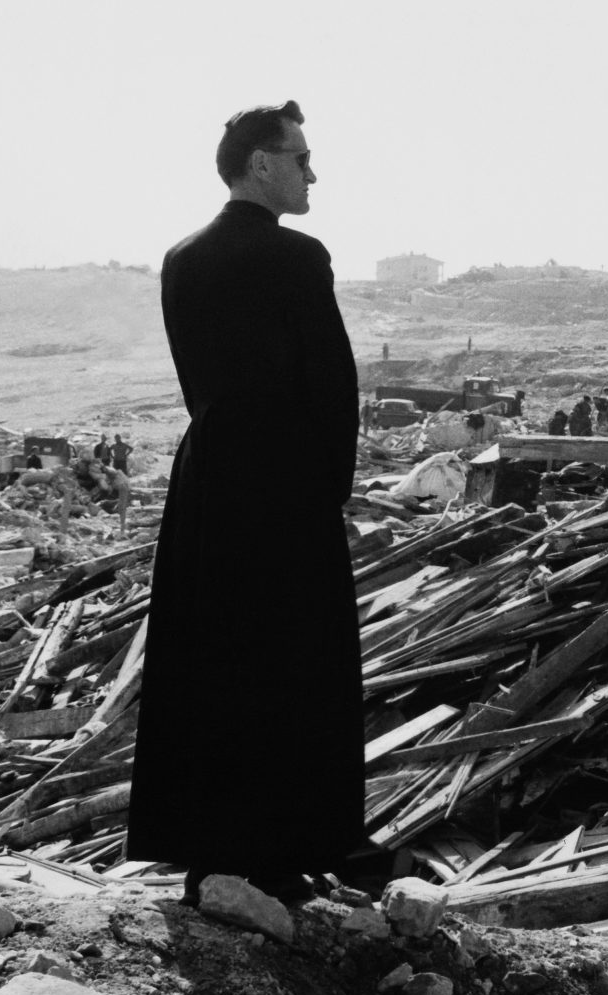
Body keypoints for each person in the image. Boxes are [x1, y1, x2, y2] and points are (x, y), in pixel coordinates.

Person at [129, 100, 363, 905]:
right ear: (261, 163)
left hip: (211, 481)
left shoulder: (180, 259)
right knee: (293, 660)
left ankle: (209, 846)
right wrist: (331, 482)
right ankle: (284, 850)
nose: (311, 173)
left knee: (213, 661)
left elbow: (200, 381)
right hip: (286, 482)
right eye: (301, 158)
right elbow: (332, 382)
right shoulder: (299, 259)